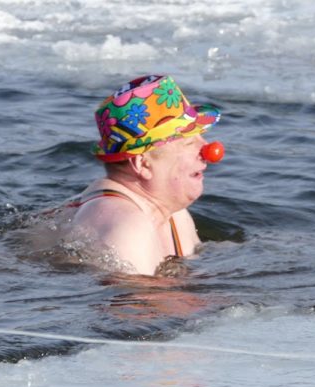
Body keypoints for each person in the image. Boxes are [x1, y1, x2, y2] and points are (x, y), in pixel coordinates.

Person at [68, 75, 224, 276]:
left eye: (202, 137)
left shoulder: (174, 214)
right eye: (188, 142)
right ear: (143, 164)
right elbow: (132, 304)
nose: (208, 150)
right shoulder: (128, 228)